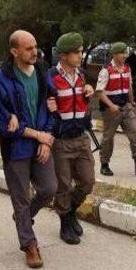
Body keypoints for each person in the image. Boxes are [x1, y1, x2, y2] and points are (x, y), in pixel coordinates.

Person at [0, 30, 57, 268]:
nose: (34, 52)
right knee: (20, 199)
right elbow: (6, 125)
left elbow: (51, 106)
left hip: (40, 145)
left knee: (49, 188)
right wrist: (38, 135)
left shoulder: (42, 71)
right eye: (28, 48)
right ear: (14, 51)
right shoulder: (0, 80)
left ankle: (24, 218)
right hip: (16, 149)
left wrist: (46, 137)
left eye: (35, 46)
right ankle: (30, 245)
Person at [46, 32, 96, 245]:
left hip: (81, 136)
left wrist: (89, 90)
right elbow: (41, 104)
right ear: (64, 55)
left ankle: (71, 210)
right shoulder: (50, 77)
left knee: (87, 182)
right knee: (63, 185)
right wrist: (48, 107)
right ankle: (65, 221)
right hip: (61, 139)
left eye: (81, 50)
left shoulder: (82, 74)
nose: (80, 55)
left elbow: (84, 101)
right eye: (76, 52)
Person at [96, 42, 136, 177]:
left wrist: (131, 102)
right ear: (114, 54)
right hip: (111, 109)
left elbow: (129, 87)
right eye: (122, 53)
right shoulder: (106, 70)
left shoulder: (127, 68)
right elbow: (99, 92)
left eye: (125, 53)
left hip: (125, 107)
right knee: (108, 138)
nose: (125, 56)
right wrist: (111, 105)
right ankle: (104, 164)